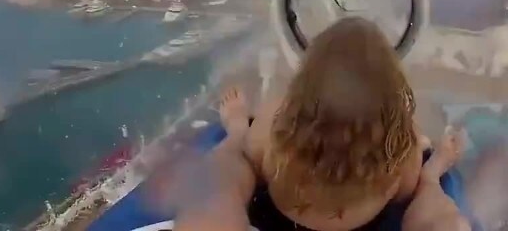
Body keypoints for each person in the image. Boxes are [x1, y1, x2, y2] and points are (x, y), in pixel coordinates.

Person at [174, 17, 467, 231]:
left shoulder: (273, 126)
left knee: (228, 168)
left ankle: (235, 132)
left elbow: (253, 155)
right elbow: (404, 192)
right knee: (441, 219)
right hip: (366, 222)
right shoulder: (401, 152)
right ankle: (432, 175)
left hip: (279, 217)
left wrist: (244, 136)